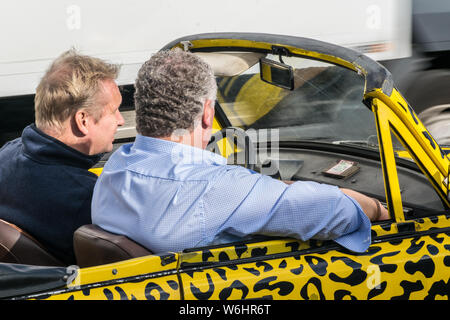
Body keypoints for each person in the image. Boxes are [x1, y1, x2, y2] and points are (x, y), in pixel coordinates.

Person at [91, 48, 389, 254]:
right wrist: (377, 208)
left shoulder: (116, 168)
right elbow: (337, 212)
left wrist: (273, 188)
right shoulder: (215, 189)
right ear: (208, 113)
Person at [0, 50, 124, 265]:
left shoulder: (6, 154)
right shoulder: (88, 197)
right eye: (114, 111)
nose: (121, 120)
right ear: (83, 120)